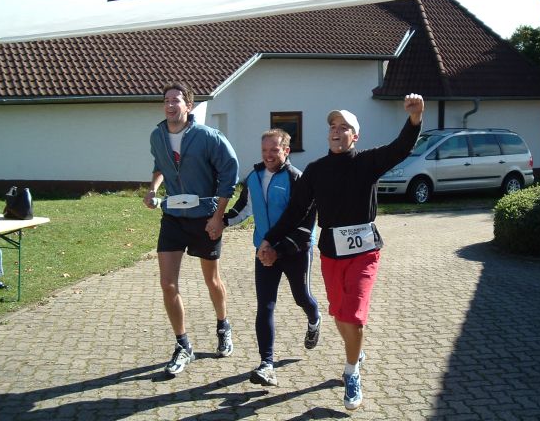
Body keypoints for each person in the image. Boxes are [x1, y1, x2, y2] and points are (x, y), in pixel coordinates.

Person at [258, 93, 424, 410]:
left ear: (355, 136)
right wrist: (270, 240)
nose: (336, 131)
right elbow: (294, 212)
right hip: (332, 254)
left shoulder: (368, 162)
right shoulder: (316, 171)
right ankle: (355, 351)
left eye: (344, 127)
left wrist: (414, 119)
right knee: (338, 311)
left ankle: (351, 372)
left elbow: (400, 148)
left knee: (354, 315)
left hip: (364, 253)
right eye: (333, 126)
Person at [143, 82, 239, 376]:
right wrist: (152, 189)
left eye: (177, 100)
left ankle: (223, 325)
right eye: (167, 100)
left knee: (212, 280)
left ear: (189, 105)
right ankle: (183, 345)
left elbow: (230, 173)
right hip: (173, 216)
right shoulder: (157, 136)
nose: (170, 105)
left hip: (204, 218)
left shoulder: (208, 137)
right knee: (167, 284)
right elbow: (160, 166)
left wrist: (218, 216)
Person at [224, 128, 321, 387]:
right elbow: (243, 209)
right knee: (265, 305)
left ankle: (314, 319)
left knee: (302, 297)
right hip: (264, 252)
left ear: (286, 151)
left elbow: (305, 226)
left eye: (274, 150)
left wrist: (278, 249)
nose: (268, 155)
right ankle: (266, 364)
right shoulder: (254, 177)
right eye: (264, 150)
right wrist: (220, 223)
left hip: (294, 251)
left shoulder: (297, 179)